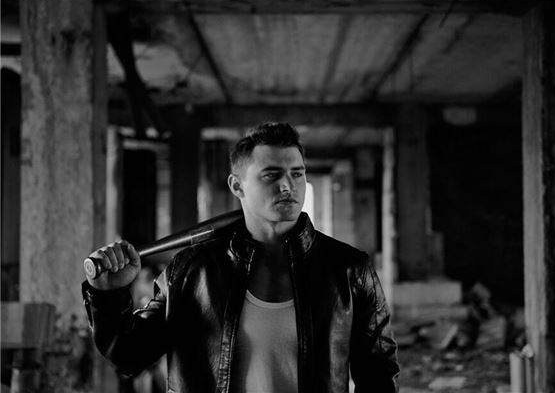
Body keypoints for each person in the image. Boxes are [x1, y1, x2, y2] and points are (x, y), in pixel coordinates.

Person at [82, 122, 399, 393]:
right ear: (237, 186)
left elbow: (379, 376)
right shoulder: (193, 271)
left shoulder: (348, 269)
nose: (287, 186)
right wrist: (107, 294)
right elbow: (130, 355)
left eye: (297, 173)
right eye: (271, 175)